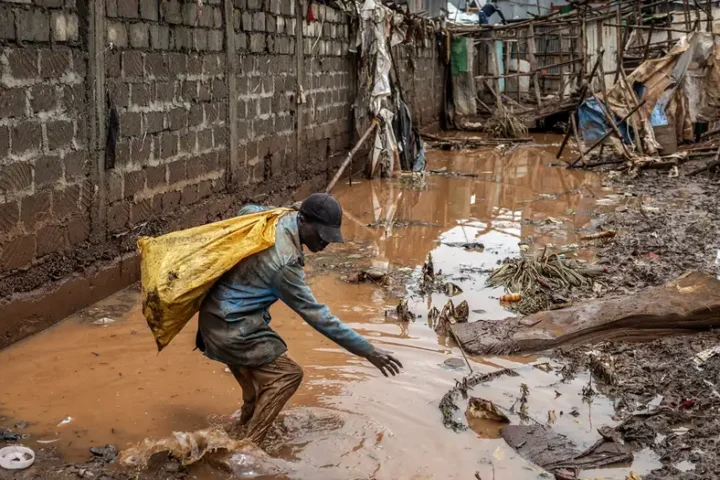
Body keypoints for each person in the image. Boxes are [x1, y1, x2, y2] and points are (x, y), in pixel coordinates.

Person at [196, 193, 403, 445]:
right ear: (303, 222)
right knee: (288, 375)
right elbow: (318, 316)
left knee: (255, 391)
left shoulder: (279, 217)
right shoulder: (284, 264)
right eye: (321, 235)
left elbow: (247, 208)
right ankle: (249, 448)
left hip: (215, 316)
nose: (325, 243)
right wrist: (368, 351)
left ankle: (237, 433)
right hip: (232, 328)